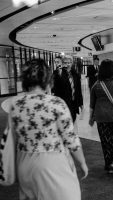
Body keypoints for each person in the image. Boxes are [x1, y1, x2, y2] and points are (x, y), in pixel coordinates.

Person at [8, 59, 88, 200]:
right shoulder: (56, 103)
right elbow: (71, 138)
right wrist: (81, 162)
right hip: (51, 162)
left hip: (24, 163)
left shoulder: (15, 104)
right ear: (47, 79)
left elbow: (12, 137)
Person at [52, 56, 83, 122]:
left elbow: (78, 90)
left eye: (70, 62)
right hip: (63, 103)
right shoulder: (57, 73)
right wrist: (59, 73)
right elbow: (54, 87)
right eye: (66, 62)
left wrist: (81, 103)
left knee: (73, 119)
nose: (68, 64)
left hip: (73, 103)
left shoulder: (75, 74)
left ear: (72, 63)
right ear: (62, 63)